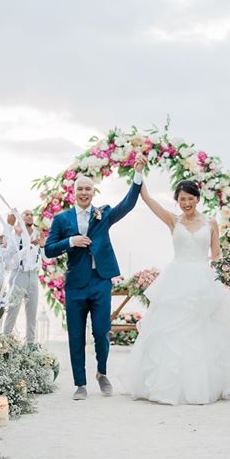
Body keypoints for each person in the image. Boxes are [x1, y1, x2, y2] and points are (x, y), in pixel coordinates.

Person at [118, 178, 230, 405]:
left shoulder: (211, 222)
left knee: (204, 331)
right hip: (176, 279)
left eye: (190, 198)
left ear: (198, 199)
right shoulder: (173, 220)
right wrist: (139, 173)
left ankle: (206, 384)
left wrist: (226, 276)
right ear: (177, 201)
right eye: (182, 199)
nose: (186, 203)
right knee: (171, 331)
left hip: (203, 278)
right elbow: (148, 199)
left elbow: (217, 254)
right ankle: (167, 385)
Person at [44, 159, 145, 400]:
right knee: (76, 334)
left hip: (100, 280)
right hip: (76, 283)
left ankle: (102, 373)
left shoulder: (104, 214)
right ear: (74, 192)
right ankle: (80, 383)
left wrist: (138, 175)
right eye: (80, 188)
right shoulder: (62, 219)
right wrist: (71, 241)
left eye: (88, 188)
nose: (84, 192)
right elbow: (48, 249)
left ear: (93, 192)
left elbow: (128, 204)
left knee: (101, 331)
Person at [3, 209, 43, 343]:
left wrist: (42, 246)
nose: (30, 216)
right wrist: (29, 245)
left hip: (33, 276)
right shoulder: (15, 236)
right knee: (12, 311)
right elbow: (12, 259)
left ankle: (30, 344)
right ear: (21, 218)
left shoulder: (38, 234)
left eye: (31, 214)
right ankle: (5, 342)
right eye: (26, 214)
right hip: (18, 275)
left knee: (32, 313)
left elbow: (45, 258)